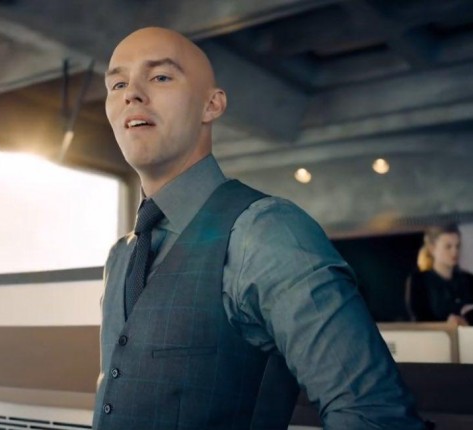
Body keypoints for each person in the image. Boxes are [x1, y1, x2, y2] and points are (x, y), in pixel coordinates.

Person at [94, 27, 424, 430]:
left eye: (160, 76)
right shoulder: (121, 255)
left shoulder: (266, 232)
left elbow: (376, 416)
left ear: (211, 105)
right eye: (118, 83)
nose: (131, 93)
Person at [406, 225, 473, 325]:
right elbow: (419, 319)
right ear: (432, 248)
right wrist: (446, 324)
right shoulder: (419, 281)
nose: (454, 252)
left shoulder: (469, 280)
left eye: (457, 246)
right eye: (448, 247)